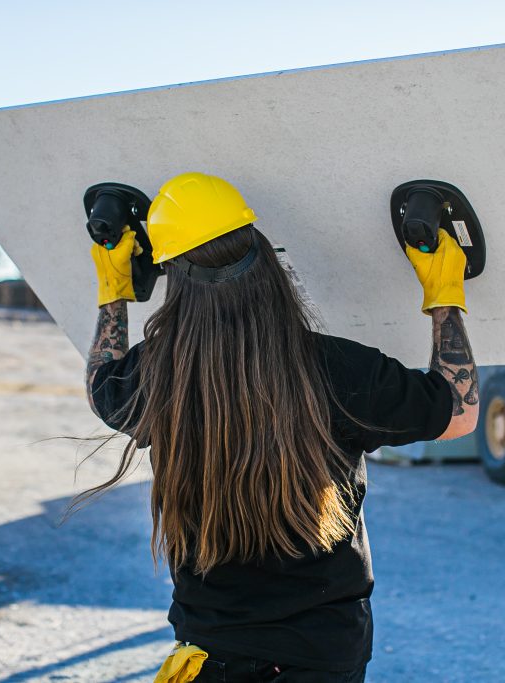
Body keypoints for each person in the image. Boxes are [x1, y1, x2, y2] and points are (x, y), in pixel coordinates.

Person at [84, 172, 478, 682]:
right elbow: (459, 411)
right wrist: (442, 289)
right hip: (322, 657)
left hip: (208, 658)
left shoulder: (162, 375)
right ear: (269, 263)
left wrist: (113, 290)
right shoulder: (337, 371)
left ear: (175, 286)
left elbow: (102, 385)